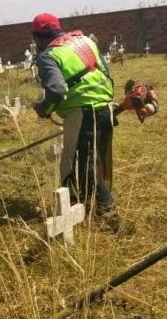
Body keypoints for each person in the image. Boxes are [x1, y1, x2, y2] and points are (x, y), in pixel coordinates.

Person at [30, 13, 118, 224]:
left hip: (82, 115)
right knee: (95, 161)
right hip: (105, 108)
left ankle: (108, 212)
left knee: (84, 164)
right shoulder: (85, 40)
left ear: (39, 38)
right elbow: (105, 70)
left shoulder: (49, 56)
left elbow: (57, 91)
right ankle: (84, 207)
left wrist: (44, 109)